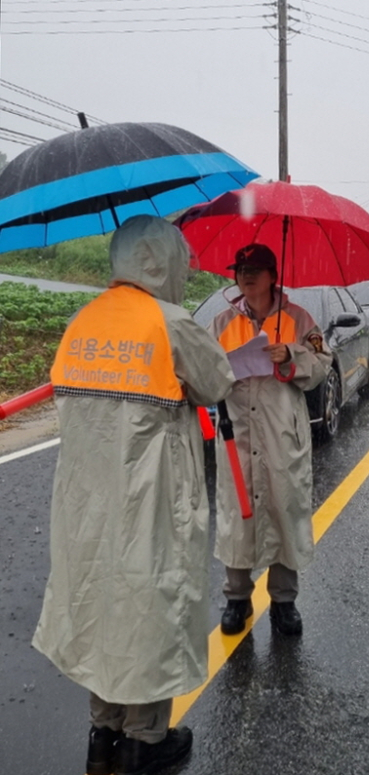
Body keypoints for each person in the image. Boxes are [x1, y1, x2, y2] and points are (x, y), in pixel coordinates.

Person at [32, 216, 235, 775]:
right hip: (152, 496)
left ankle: (103, 734)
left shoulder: (82, 322)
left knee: (99, 604)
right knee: (151, 608)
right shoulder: (170, 324)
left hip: (86, 500)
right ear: (163, 261)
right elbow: (217, 382)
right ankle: (147, 740)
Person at [207, 243, 332, 637]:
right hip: (236, 433)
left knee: (284, 509)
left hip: (281, 433)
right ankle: (237, 598)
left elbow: (321, 364)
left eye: (256, 268)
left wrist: (291, 356)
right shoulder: (222, 322)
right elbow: (205, 370)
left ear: (272, 275)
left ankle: (284, 601)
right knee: (237, 513)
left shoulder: (299, 319)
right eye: (241, 268)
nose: (246, 275)